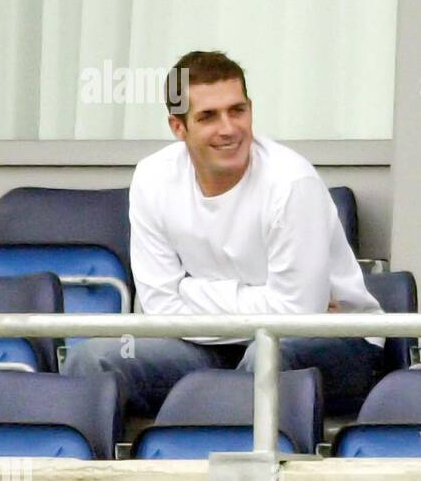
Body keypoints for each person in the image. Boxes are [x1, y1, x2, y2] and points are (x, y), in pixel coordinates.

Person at [64, 51, 385, 418]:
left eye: (237, 111)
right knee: (92, 359)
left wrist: (189, 291)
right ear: (178, 127)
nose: (229, 128)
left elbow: (296, 316)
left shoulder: (291, 183)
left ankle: (216, 463)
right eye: (208, 117)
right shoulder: (152, 178)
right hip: (211, 346)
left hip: (338, 343)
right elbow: (159, 308)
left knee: (265, 355)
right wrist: (261, 300)